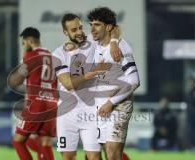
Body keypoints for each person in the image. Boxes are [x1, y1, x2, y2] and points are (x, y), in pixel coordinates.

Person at [52, 13, 121, 160]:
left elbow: (114, 28)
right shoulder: (58, 54)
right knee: (68, 157)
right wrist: (93, 71)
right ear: (65, 32)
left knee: (95, 157)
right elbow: (68, 84)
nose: (79, 32)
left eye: (80, 27)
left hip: (90, 111)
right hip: (67, 113)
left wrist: (114, 41)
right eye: (73, 30)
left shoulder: (93, 41)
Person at [87, 7, 140, 160]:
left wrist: (111, 103)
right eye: (91, 24)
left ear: (108, 27)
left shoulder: (121, 47)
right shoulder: (98, 46)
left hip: (118, 106)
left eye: (96, 24)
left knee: (113, 155)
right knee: (106, 153)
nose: (92, 29)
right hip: (101, 106)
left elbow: (134, 81)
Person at [8, 27, 57, 160]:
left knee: (18, 141)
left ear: (29, 41)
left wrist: (19, 69)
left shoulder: (30, 56)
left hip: (36, 104)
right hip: (52, 103)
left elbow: (16, 81)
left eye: (24, 43)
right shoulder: (52, 56)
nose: (24, 47)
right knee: (45, 142)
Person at [186, 76, 195, 149]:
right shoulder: (188, 92)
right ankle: (191, 146)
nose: (191, 83)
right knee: (190, 132)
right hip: (190, 116)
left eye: (192, 81)